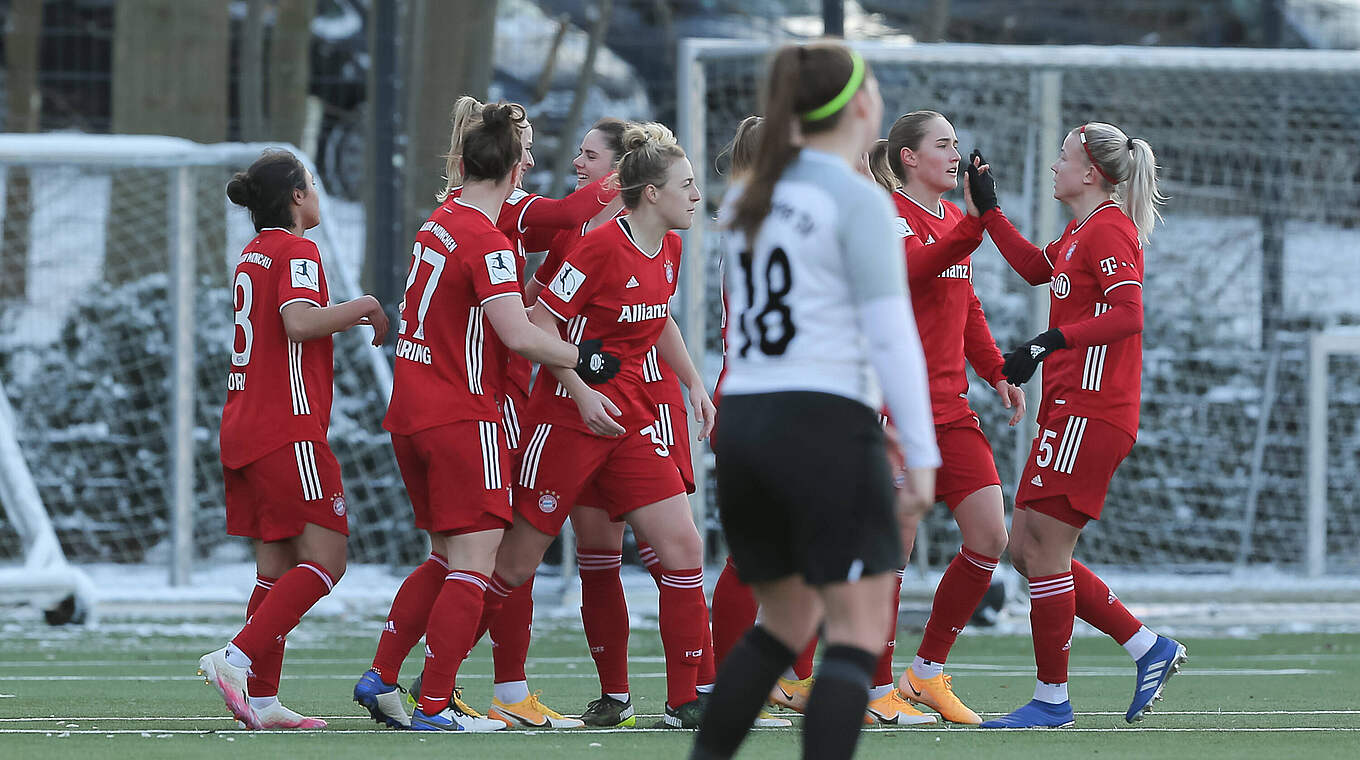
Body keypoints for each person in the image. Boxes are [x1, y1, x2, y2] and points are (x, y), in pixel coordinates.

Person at [690, 42, 939, 760]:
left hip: (746, 421)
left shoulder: (749, 196)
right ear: (861, 106)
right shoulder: (859, 199)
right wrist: (921, 456)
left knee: (781, 623)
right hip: (822, 422)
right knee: (857, 632)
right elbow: (892, 338)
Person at [352, 96, 620, 730]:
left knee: (447, 557)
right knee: (476, 563)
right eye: (525, 156)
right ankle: (437, 704)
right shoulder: (487, 241)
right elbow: (519, 334)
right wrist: (584, 358)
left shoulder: (439, 220)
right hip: (461, 417)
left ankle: (383, 675)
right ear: (512, 170)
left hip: (412, 412)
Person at [487, 122, 717, 730]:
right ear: (649, 193)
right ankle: (439, 678)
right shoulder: (594, 246)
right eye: (686, 186)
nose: (696, 197)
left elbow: (655, 314)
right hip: (568, 419)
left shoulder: (669, 246)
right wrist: (582, 394)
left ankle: (684, 698)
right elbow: (540, 321)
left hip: (634, 420)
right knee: (512, 567)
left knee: (684, 549)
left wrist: (692, 381)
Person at [964, 121, 1186, 728]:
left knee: (1044, 550)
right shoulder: (1081, 230)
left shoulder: (1110, 228)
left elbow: (1128, 315)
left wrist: (1048, 341)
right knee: (1026, 550)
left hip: (1095, 409)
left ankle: (1053, 699)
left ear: (1091, 171)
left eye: (1063, 157)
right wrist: (989, 213)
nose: (1054, 166)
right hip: (1071, 409)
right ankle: (1146, 648)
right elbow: (1039, 268)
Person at [200, 149, 389, 730]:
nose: (317, 192)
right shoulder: (297, 249)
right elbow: (300, 321)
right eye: (311, 183)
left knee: (276, 569)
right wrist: (365, 307)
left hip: (245, 425)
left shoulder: (252, 254)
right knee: (328, 562)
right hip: (288, 429)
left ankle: (262, 699)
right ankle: (233, 658)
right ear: (296, 198)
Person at [873, 110, 1026, 726]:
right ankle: (872, 685)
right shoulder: (886, 216)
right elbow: (915, 269)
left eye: (958, 145)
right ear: (910, 158)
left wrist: (996, 372)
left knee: (990, 536)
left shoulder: (954, 223)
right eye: (943, 145)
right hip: (896, 410)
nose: (955, 154)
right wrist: (978, 224)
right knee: (893, 550)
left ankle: (926, 672)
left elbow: (966, 307)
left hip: (951, 409)